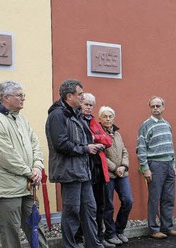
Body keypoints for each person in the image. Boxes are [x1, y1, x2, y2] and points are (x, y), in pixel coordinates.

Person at [0, 81, 49, 247]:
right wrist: (30, 172)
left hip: (28, 186)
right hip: (7, 189)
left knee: (35, 227)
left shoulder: (22, 120)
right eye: (19, 95)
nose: (23, 99)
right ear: (6, 98)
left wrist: (37, 167)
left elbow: (35, 144)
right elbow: (6, 156)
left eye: (23, 95)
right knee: (11, 233)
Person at [45, 79, 104, 248]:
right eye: (79, 94)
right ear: (69, 96)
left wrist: (90, 145)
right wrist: (86, 149)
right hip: (68, 172)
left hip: (83, 171)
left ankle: (94, 245)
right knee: (71, 213)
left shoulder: (75, 114)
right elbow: (61, 144)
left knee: (90, 210)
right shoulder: (57, 115)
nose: (82, 97)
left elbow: (80, 140)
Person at [136, 96, 176, 239]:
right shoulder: (146, 125)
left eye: (158, 106)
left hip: (168, 164)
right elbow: (141, 148)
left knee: (168, 198)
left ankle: (167, 227)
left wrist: (173, 165)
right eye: (153, 106)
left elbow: (171, 146)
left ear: (163, 107)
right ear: (150, 108)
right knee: (155, 198)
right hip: (155, 165)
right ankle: (154, 229)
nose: (155, 108)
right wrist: (145, 168)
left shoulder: (167, 124)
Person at [76, 93, 114, 248]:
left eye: (91, 105)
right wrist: (94, 139)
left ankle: (99, 237)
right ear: (80, 104)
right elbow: (81, 141)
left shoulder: (93, 121)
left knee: (100, 205)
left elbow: (108, 140)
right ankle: (79, 238)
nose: (89, 107)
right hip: (83, 168)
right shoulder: (76, 120)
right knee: (81, 206)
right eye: (86, 104)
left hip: (98, 169)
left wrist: (95, 138)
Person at [99, 106, 134, 245]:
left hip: (122, 173)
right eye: (105, 116)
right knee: (108, 206)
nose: (108, 119)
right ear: (100, 118)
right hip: (108, 175)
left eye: (110, 116)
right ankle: (110, 233)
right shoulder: (99, 133)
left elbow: (124, 151)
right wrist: (115, 168)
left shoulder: (117, 134)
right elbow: (101, 155)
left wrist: (124, 166)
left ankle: (120, 229)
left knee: (128, 201)